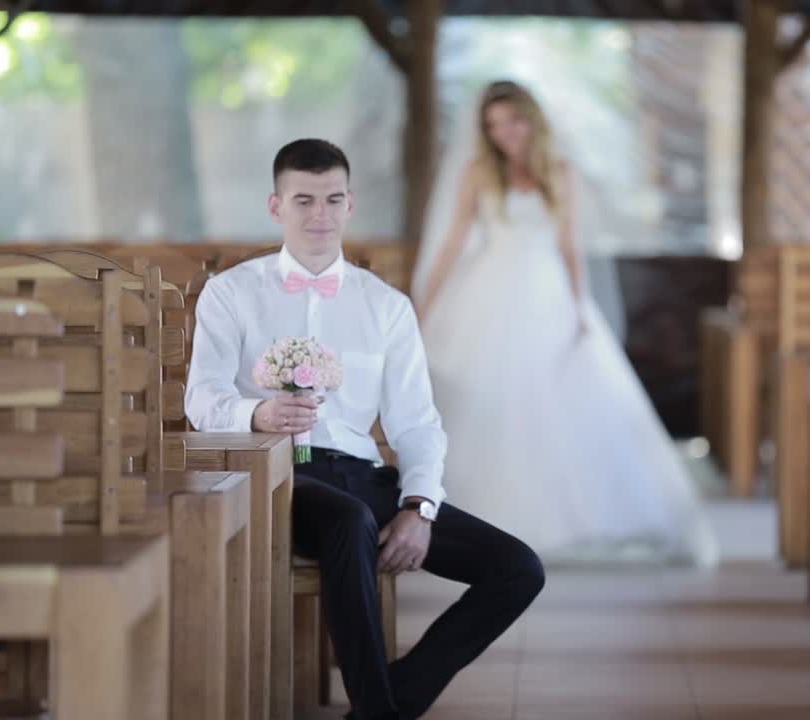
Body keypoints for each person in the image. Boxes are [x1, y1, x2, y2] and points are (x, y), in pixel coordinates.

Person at [185, 139, 545, 720]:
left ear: (350, 204)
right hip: (279, 476)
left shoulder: (386, 306)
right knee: (349, 521)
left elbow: (417, 423)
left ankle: (384, 705)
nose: (319, 215)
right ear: (276, 206)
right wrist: (258, 415)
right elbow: (200, 400)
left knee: (518, 569)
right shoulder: (232, 293)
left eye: (332, 199)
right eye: (303, 200)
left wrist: (420, 506)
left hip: (364, 478)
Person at [412, 80, 718, 567]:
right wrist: (422, 305)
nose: (505, 133)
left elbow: (570, 245)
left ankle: (573, 516)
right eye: (493, 126)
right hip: (490, 292)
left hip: (548, 292)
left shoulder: (561, 172)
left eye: (513, 120)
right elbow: (452, 242)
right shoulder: (477, 173)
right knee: (497, 397)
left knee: (565, 396)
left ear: (532, 119)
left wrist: (580, 310)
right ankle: (485, 517)